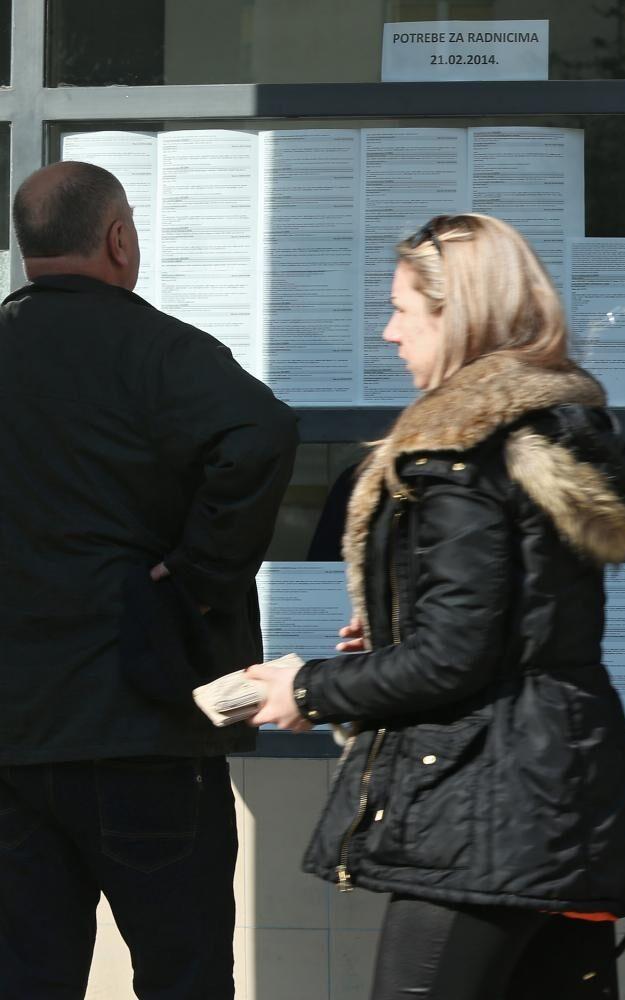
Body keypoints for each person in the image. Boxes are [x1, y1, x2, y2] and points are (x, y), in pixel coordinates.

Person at [247, 213, 625, 1000]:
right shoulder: (548, 435)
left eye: (404, 309)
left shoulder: (457, 458)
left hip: (484, 811)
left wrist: (305, 689)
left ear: (457, 314)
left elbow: (455, 656)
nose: (389, 332)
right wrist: (398, 633)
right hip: (563, 795)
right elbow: (510, 625)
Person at [0, 162, 298, 998]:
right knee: (184, 971)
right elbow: (264, 431)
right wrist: (199, 570)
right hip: (148, 728)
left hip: (15, 742)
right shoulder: (158, 349)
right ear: (119, 239)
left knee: (25, 973)